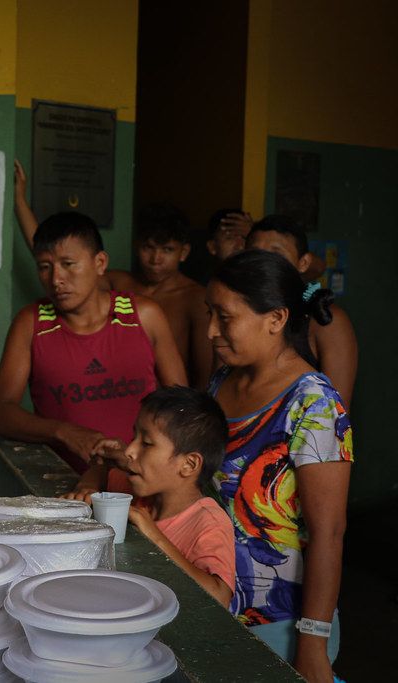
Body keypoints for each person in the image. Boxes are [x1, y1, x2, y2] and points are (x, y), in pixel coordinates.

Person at [207, 250, 352, 682]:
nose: (212, 331)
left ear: (275, 319)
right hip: (216, 602)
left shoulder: (314, 403)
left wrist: (312, 641)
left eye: (225, 317)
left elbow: (329, 533)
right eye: (208, 314)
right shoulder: (221, 382)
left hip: (280, 622)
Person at [0, 211, 188, 499]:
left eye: (69, 265)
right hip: (63, 486)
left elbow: (182, 408)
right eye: (45, 267)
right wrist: (63, 432)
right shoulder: (31, 323)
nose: (56, 279)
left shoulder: (144, 315)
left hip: (139, 485)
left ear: (100, 263)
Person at [13, 162, 210, 389]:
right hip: (110, 393)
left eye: (167, 250)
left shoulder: (195, 298)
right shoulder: (120, 283)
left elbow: (204, 378)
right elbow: (50, 254)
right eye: (148, 247)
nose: (156, 259)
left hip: (165, 409)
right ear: (137, 247)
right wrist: (19, 201)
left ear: (183, 252)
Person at [98, 387, 235, 608]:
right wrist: (87, 484)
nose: (130, 450)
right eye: (134, 437)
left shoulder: (209, 522)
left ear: (188, 465)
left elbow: (219, 597)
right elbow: (103, 467)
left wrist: (155, 536)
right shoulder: (138, 493)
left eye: (147, 443)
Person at [246, 215, 359, 407]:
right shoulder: (239, 315)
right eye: (254, 254)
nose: (264, 264)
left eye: (277, 255)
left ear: (304, 263)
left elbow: (336, 417)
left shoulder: (326, 321)